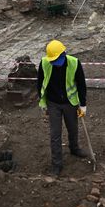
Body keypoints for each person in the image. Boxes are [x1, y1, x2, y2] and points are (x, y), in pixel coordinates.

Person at [37, 40, 88, 176]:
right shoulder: (44, 63)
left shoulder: (74, 63)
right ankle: (56, 164)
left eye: (56, 59)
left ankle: (74, 148)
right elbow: (40, 83)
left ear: (64, 54)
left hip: (70, 102)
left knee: (72, 128)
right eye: (52, 59)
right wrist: (43, 104)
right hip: (53, 103)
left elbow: (81, 85)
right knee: (55, 135)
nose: (54, 62)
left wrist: (83, 105)